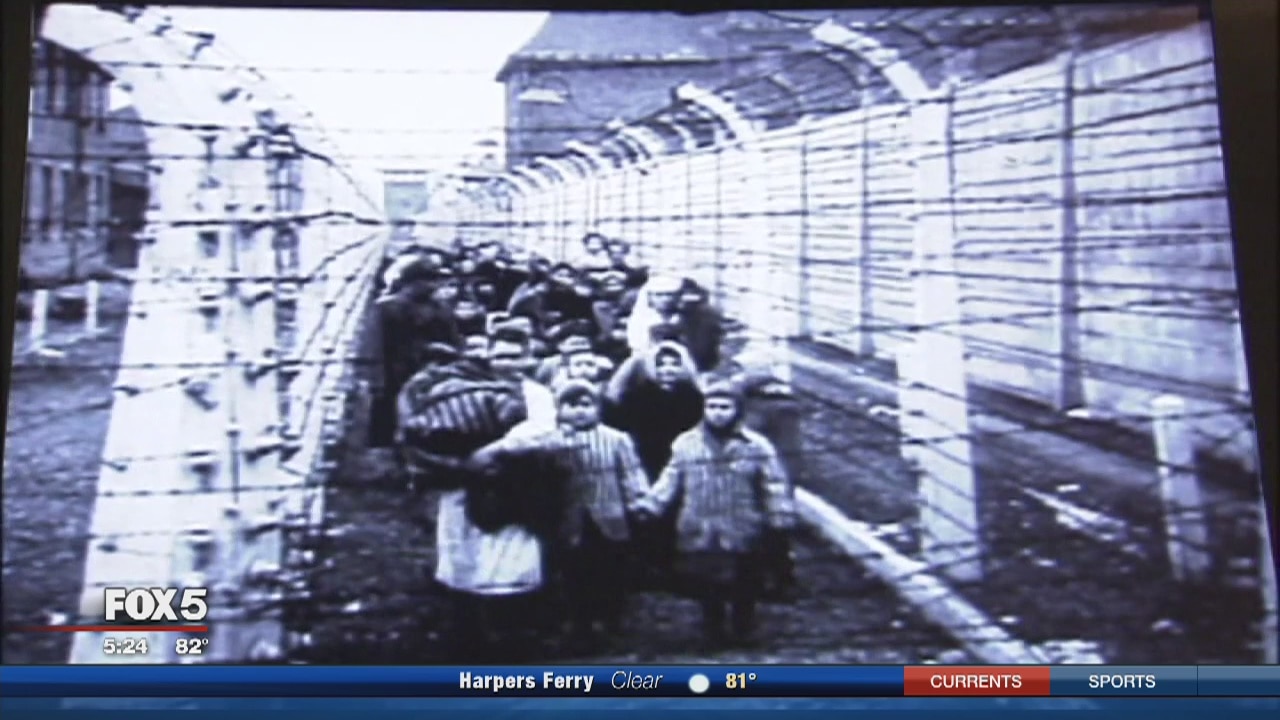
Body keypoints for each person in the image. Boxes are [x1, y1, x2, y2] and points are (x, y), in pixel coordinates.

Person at [480, 379, 649, 652]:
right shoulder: (551, 440)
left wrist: (638, 502)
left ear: (598, 408)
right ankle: (580, 626)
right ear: (559, 409)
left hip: (609, 515)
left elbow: (631, 473)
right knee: (574, 574)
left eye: (586, 405)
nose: (579, 412)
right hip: (569, 519)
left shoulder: (617, 439)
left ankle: (611, 622)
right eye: (570, 405)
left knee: (611, 572)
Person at [634, 379, 794, 647]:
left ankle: (743, 626)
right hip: (700, 523)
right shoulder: (686, 444)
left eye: (725, 407)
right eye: (712, 406)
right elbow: (670, 478)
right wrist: (652, 505)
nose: (718, 412)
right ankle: (714, 628)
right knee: (708, 582)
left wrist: (779, 515)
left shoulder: (756, 446)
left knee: (746, 579)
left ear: (737, 410)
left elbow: (773, 482)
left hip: (742, 523)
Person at [602, 340, 705, 587]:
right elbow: (619, 420)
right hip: (645, 457)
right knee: (645, 509)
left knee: (675, 509)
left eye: (674, 365)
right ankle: (645, 565)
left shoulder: (692, 398)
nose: (667, 370)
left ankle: (671, 564)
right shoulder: (638, 396)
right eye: (661, 365)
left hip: (678, 458)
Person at [625, 274, 683, 357]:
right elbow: (638, 348)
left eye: (669, 294)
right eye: (659, 295)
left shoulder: (683, 317)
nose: (665, 299)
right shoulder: (640, 319)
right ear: (649, 296)